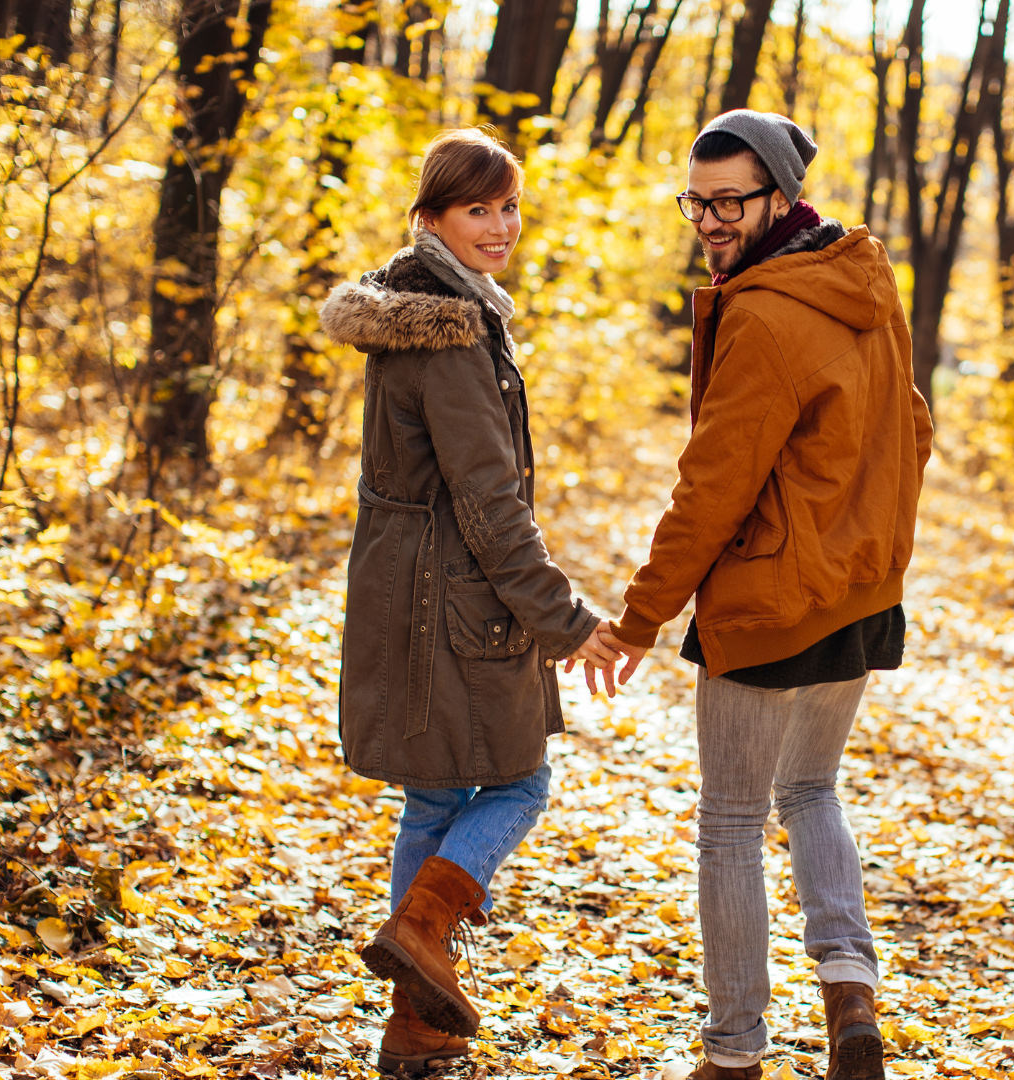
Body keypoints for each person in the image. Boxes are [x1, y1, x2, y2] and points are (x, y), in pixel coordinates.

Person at [594, 110, 933, 1080]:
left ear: (781, 196)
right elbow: (912, 430)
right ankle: (850, 988)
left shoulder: (763, 313)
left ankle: (735, 1051)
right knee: (813, 790)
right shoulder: (863, 280)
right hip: (860, 596)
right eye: (696, 201)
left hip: (773, 604)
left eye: (730, 201)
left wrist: (639, 619)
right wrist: (860, 537)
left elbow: (713, 489)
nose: (709, 221)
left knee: (733, 823)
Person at [319, 127, 620, 1075]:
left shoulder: (425, 311)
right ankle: (419, 932)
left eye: (510, 206)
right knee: (520, 783)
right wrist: (565, 622)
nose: (501, 226)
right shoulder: (450, 333)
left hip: (404, 590)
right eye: (478, 209)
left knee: (436, 796)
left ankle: (417, 1026)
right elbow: (489, 504)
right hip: (451, 600)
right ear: (432, 218)